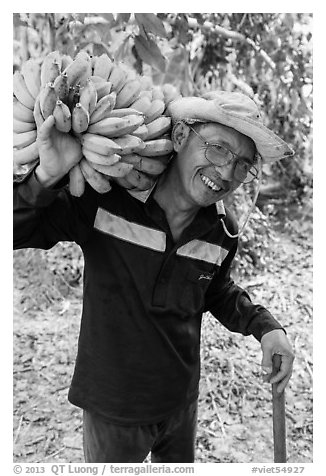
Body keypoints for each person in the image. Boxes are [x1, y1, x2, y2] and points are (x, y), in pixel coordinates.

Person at [13, 90, 295, 463]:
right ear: (179, 138)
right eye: (219, 149)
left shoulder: (221, 230)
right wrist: (47, 176)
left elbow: (215, 290)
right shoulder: (104, 201)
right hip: (114, 407)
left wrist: (265, 327)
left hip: (180, 402)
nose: (227, 173)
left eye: (243, 165)